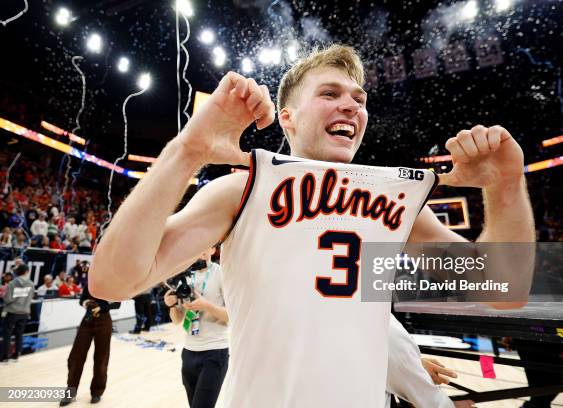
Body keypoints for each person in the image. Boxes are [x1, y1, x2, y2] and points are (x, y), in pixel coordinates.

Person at [91, 44, 533, 406]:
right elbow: (112, 280)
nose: (350, 106)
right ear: (288, 117)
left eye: (359, 100)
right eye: (330, 94)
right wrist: (189, 148)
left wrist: (506, 187)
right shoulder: (241, 191)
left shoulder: (399, 202)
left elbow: (504, 290)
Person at [165, 247, 229, 408]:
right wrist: (172, 305)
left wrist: (206, 305)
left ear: (213, 249)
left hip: (214, 351)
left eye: (205, 244)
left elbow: (232, 316)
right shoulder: (185, 278)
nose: (200, 248)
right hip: (188, 352)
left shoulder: (221, 273)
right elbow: (177, 320)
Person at [59, 283, 121, 406]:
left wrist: (101, 308)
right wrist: (86, 303)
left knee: (101, 358)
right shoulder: (91, 283)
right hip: (88, 320)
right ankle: (70, 391)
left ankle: (97, 392)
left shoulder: (113, 283)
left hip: (104, 321)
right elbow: (81, 300)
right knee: (75, 357)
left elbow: (117, 304)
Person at [1, 264, 35, 363]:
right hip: (24, 312)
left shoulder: (12, 283)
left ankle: (5, 357)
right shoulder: (31, 284)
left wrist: (4, 296)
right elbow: (30, 297)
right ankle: (16, 355)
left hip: (12, 312)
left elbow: (7, 299)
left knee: (7, 334)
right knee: (19, 334)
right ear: (26, 272)